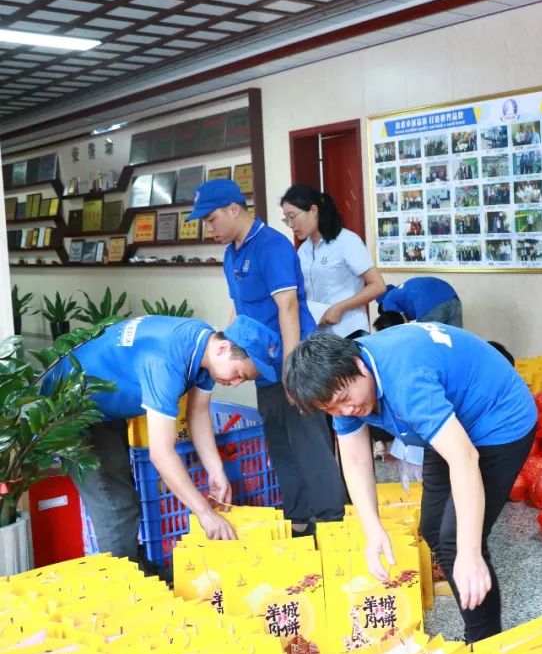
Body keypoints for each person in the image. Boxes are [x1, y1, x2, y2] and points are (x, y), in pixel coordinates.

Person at [283, 326, 536, 642]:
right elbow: (356, 458)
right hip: (452, 420)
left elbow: (464, 459)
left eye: (344, 400)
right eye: (332, 409)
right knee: (432, 527)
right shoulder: (340, 381)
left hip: (498, 418)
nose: (345, 411)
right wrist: (372, 529)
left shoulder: (404, 380)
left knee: (457, 538)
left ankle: (483, 641)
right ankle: (476, 609)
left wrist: (469, 553)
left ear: (360, 365)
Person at [46, 315, 280, 565]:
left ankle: (134, 568)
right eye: (238, 374)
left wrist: (216, 470)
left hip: (102, 402)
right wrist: (204, 513)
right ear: (224, 348)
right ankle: (124, 586)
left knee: (123, 491)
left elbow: (198, 412)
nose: (234, 383)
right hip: (71, 407)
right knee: (115, 503)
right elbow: (161, 453)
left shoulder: (204, 343)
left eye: (242, 379)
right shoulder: (165, 362)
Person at [189, 178, 346, 534]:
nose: (208, 228)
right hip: (262, 367)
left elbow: (288, 307)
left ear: (233, 209)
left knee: (309, 444)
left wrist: (293, 371)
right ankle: (300, 522)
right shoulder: (233, 253)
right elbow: (238, 309)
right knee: (281, 446)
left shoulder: (271, 246)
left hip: (294, 361)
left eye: (211, 219)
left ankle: (333, 526)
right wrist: (223, 354)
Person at [280, 185, 386, 340]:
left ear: (313, 211)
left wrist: (340, 308)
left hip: (349, 331)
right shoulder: (303, 250)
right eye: (286, 219)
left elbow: (378, 286)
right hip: (318, 334)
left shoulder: (347, 241)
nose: (290, 224)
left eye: (293, 216)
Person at [376, 276, 461, 327]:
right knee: (454, 340)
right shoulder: (401, 290)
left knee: (428, 342)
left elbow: (404, 325)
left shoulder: (387, 301)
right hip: (451, 296)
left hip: (429, 304)